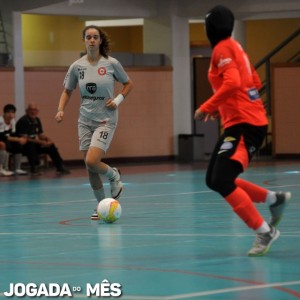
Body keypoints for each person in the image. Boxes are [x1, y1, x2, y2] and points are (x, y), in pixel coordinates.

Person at [194, 5, 291, 256]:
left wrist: (207, 106)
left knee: (222, 180)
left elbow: (234, 82)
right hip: (241, 122)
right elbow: (253, 83)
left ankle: (264, 230)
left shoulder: (222, 48)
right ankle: (274, 199)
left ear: (210, 28)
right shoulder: (236, 47)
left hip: (244, 125)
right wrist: (222, 107)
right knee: (213, 179)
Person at [55, 25, 133, 220]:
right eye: (88, 37)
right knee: (89, 167)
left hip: (105, 120)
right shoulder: (77, 66)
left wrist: (117, 100)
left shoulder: (111, 63)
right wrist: (60, 109)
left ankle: (114, 175)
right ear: (84, 40)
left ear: (100, 41)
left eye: (95, 37)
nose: (91, 40)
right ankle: (100, 206)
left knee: (92, 160)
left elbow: (128, 84)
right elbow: (67, 90)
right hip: (84, 120)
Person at [16, 103, 70, 176]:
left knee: (50, 146)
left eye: (35, 110)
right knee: (31, 145)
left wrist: (49, 140)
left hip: (35, 144)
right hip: (23, 146)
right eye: (31, 110)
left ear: (37, 111)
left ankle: (60, 167)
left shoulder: (37, 120)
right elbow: (25, 138)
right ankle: (34, 168)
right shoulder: (23, 121)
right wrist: (40, 141)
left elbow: (40, 135)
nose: (33, 112)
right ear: (27, 111)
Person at [0, 104, 28, 176]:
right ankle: (3, 168)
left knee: (18, 145)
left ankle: (17, 168)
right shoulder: (1, 121)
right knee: (4, 144)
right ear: (4, 113)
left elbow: (13, 134)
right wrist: (18, 139)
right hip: (1, 138)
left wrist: (21, 139)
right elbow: (2, 136)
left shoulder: (12, 121)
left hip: (5, 138)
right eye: (8, 112)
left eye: (12, 112)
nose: (10, 114)